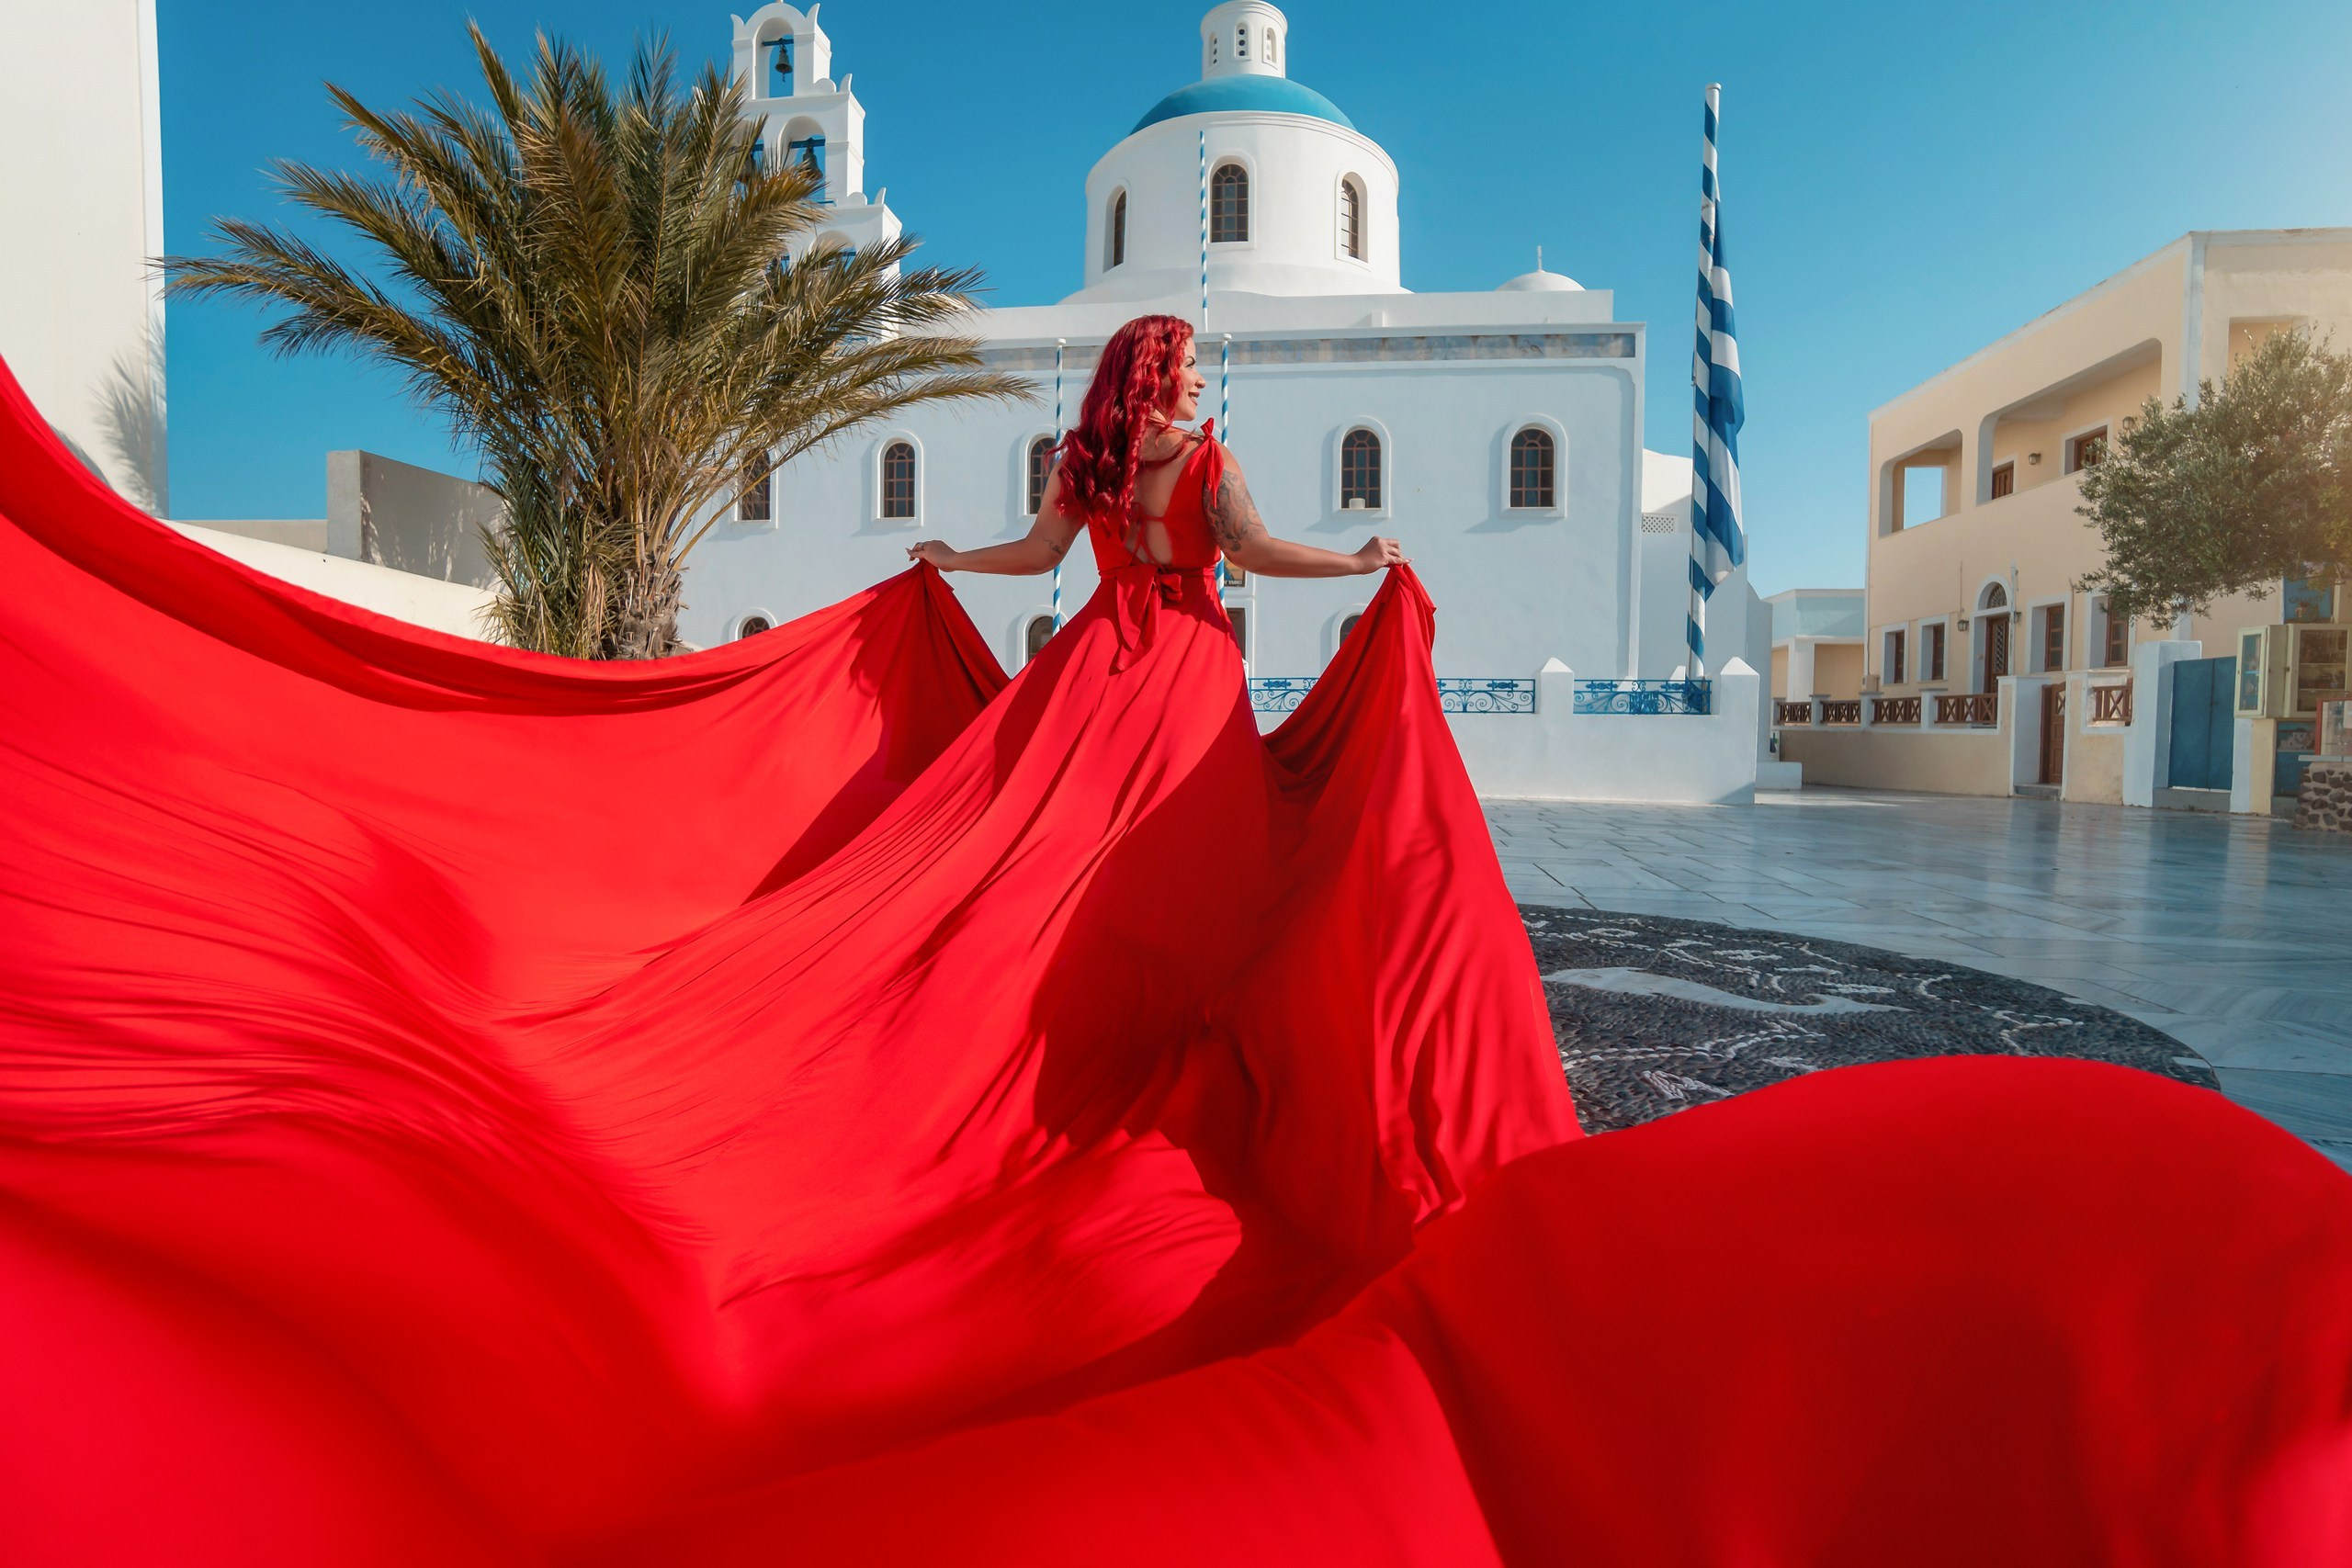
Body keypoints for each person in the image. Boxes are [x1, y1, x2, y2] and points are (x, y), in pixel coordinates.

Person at [0, 315, 2347, 1567]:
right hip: (1183, 716)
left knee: (1034, 971)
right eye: (1187, 394)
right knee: (1225, 958)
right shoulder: (1205, 475)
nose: (1181, 414)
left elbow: (1020, 586)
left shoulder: (1080, 474)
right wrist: (1379, 588)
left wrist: (910, 605)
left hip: (1079, 704)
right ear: (1183, 397)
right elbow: (1295, 571)